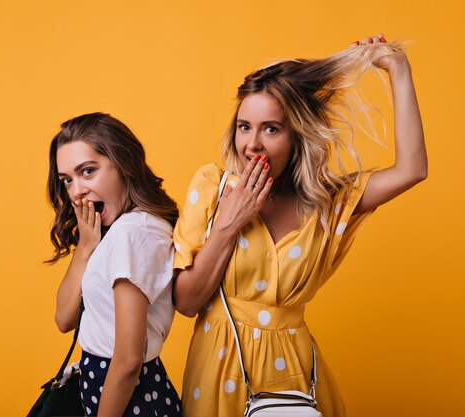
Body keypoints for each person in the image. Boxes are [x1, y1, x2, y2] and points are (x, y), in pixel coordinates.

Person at [172, 34, 428, 416]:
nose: (252, 144)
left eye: (271, 129)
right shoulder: (212, 187)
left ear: (297, 136)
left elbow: (412, 170)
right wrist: (229, 224)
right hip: (219, 374)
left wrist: (399, 71)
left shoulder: (327, 202)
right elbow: (186, 302)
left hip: (297, 379)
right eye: (244, 126)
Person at [47, 113, 183, 417]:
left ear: (123, 164)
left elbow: (128, 360)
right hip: (109, 393)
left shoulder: (134, 233)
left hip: (133, 401)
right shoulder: (114, 234)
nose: (77, 190)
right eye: (67, 180)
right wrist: (85, 246)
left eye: (88, 171)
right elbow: (64, 318)